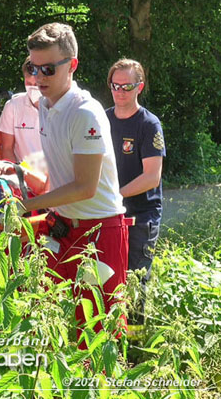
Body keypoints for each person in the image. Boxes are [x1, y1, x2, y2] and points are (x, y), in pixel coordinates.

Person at [0, 23, 129, 331]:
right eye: (33, 68)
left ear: (72, 66)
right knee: (47, 319)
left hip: (98, 232)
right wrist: (18, 175)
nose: (38, 78)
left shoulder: (85, 113)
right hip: (61, 227)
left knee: (95, 332)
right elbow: (55, 168)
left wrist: (27, 206)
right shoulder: (44, 104)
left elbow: (84, 186)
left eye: (48, 70)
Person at [105, 59, 165, 324]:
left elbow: (152, 177)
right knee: (105, 277)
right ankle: (108, 339)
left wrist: (116, 194)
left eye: (126, 86)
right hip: (107, 212)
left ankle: (134, 350)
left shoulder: (149, 125)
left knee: (135, 281)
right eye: (115, 85)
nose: (120, 91)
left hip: (141, 216)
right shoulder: (102, 119)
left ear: (139, 87)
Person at [0, 56, 43, 163]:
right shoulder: (12, 106)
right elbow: (7, 149)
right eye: (28, 83)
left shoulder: (60, 107)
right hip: (23, 172)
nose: (32, 88)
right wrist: (16, 174)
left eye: (36, 84)